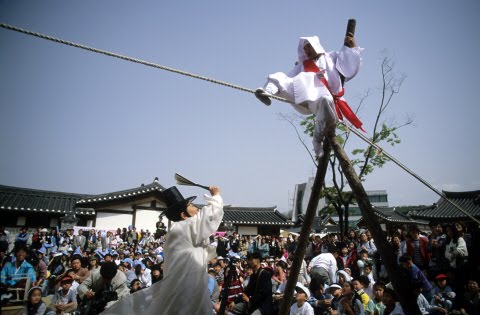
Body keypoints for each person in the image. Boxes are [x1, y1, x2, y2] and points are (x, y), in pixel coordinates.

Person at [103, 185, 224, 315]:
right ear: (183, 215)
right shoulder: (181, 228)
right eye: (192, 205)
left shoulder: (186, 231)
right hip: (187, 288)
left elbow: (203, 250)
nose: (197, 208)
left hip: (193, 285)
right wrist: (216, 196)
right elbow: (209, 217)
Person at [255, 32, 364, 157]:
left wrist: (352, 48)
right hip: (303, 99)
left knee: (325, 101)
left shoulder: (331, 57)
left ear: (316, 46)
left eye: (308, 47)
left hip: (323, 100)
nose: (306, 51)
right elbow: (285, 80)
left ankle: (317, 140)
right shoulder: (302, 66)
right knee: (279, 75)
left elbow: (347, 64)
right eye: (304, 49)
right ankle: (267, 94)